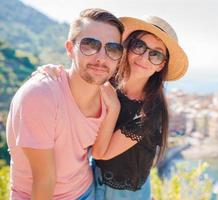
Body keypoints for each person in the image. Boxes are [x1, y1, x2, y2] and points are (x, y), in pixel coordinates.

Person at [36, 16, 189, 200]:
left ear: (161, 65)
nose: (144, 57)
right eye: (139, 46)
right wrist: (56, 72)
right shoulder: (108, 81)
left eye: (155, 54)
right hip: (91, 178)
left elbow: (101, 153)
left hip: (125, 194)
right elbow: (80, 74)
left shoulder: (150, 112)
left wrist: (113, 108)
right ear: (127, 47)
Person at [6, 8, 124, 200]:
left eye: (112, 49)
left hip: (85, 190)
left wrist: (115, 109)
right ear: (70, 49)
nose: (101, 57)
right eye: (90, 45)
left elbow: (98, 152)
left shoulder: (108, 97)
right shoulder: (40, 96)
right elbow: (44, 180)